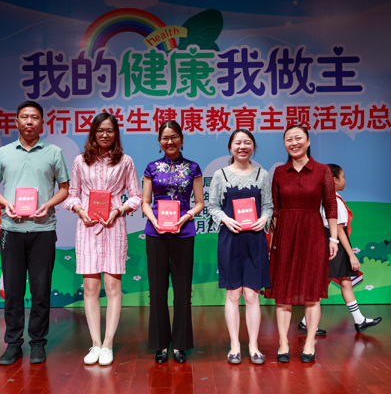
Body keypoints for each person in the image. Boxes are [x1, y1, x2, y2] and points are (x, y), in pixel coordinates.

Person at [0, 100, 70, 365]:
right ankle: (13, 344)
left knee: (41, 290)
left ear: (42, 122)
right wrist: (6, 204)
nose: (29, 121)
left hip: (43, 229)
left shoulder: (54, 152)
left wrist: (48, 205)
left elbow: (65, 189)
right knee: (13, 290)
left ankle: (38, 343)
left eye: (34, 117)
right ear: (17, 122)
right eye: (25, 117)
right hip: (11, 230)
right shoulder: (2, 153)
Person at [62, 113, 142, 365]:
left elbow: (136, 196)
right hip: (87, 227)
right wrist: (80, 210)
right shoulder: (80, 161)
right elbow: (72, 195)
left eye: (109, 130)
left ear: (116, 134)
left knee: (113, 288)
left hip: (114, 226)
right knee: (90, 288)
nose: (105, 135)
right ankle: (95, 344)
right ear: (93, 133)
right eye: (100, 130)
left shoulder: (125, 161)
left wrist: (118, 210)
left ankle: (108, 344)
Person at [264, 125, 338, 363]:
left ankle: (309, 342)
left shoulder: (322, 170)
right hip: (285, 235)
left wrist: (333, 238)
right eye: (288, 139)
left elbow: (331, 207)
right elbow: (275, 210)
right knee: (283, 294)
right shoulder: (279, 172)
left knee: (312, 293)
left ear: (308, 141)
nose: (293, 143)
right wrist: (272, 242)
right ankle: (283, 343)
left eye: (298, 138)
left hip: (313, 234)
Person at [142, 120, 204, 364]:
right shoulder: (151, 167)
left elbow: (200, 202)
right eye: (165, 138)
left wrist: (186, 216)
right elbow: (145, 202)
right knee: (157, 291)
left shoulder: (193, 167)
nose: (170, 141)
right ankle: (160, 345)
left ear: (181, 139)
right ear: (159, 141)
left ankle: (180, 344)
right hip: (156, 233)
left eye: (174, 137)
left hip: (183, 233)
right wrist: (154, 220)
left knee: (182, 291)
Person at [209, 129, 272, 365]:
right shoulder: (221, 175)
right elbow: (212, 206)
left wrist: (264, 219)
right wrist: (226, 219)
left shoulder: (262, 175)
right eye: (238, 143)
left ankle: (253, 346)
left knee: (252, 294)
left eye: (247, 143)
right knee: (233, 293)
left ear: (253, 147)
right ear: (230, 147)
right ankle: (234, 345)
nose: (242, 147)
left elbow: (268, 206)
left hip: (255, 240)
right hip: (230, 240)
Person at [298, 164, 382, 334]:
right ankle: (307, 323)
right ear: (334, 180)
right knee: (325, 283)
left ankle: (359, 320)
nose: (345, 181)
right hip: (334, 242)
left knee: (344, 281)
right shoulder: (333, 200)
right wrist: (352, 255)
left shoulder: (326, 198)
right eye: (343, 177)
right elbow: (339, 229)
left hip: (331, 242)